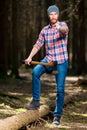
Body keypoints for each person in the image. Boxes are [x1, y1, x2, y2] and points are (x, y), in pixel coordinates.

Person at [25, 5, 69, 125]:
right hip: (49, 60)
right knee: (35, 72)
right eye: (51, 14)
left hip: (61, 62)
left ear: (58, 15)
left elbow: (64, 31)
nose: (53, 16)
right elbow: (38, 44)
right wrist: (30, 57)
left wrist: (60, 28)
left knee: (60, 90)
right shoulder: (45, 30)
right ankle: (35, 101)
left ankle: (57, 116)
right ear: (48, 16)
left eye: (55, 14)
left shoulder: (63, 25)